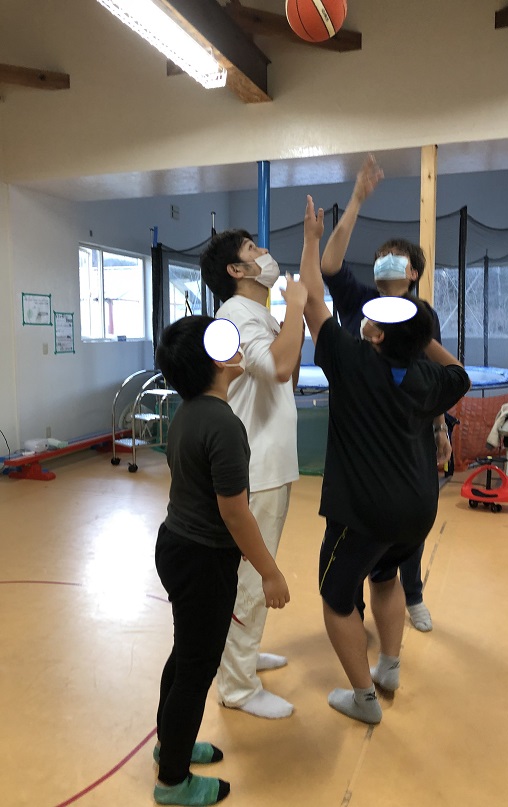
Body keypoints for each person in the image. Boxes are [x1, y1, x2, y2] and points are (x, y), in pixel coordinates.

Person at [300, 195, 470, 724]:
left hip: (364, 513)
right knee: (386, 576)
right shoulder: (427, 377)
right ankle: (389, 667)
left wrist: (309, 239)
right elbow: (460, 373)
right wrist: (420, 340)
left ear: (373, 332)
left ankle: (363, 698)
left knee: (336, 597)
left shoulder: (349, 360)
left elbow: (312, 300)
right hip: (418, 508)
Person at [153, 315, 290, 806]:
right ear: (212, 360)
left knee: (185, 655)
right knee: (196, 669)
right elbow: (235, 512)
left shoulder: (189, 412)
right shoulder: (224, 425)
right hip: (202, 562)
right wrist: (270, 572)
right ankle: (173, 782)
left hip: (176, 546)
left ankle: (171, 744)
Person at [320, 154, 450, 633]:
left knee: (403, 529)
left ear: (414, 273)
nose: (386, 262)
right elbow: (329, 265)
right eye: (381, 257)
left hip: (408, 436)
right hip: (359, 436)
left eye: (398, 259)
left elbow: (435, 379)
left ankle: (411, 596)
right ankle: (350, 610)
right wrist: (356, 199)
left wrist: (440, 429)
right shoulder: (359, 302)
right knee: (354, 532)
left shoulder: (421, 318)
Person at [200, 232, 306, 719]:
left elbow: (287, 371)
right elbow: (281, 368)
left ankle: (243, 656)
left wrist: (288, 318)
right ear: (236, 271)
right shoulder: (237, 315)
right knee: (250, 579)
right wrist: (297, 306)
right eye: (251, 249)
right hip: (255, 467)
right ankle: (238, 687)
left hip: (269, 463)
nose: (263, 252)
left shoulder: (256, 314)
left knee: (249, 576)